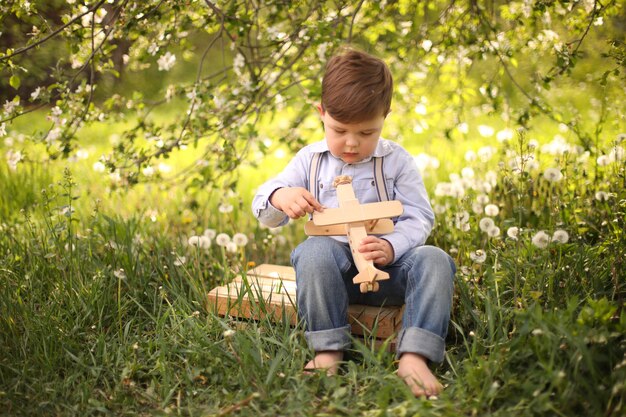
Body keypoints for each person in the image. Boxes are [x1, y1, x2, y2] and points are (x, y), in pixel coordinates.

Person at [251, 48, 455, 397]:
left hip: (388, 272)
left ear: (385, 118)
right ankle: (328, 348)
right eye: (339, 129)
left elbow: (420, 215)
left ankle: (415, 356)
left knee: (435, 259)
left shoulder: (396, 161)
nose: (350, 143)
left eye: (366, 133)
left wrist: (391, 247)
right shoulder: (310, 161)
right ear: (321, 114)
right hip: (334, 279)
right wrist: (279, 196)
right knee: (313, 251)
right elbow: (265, 211)